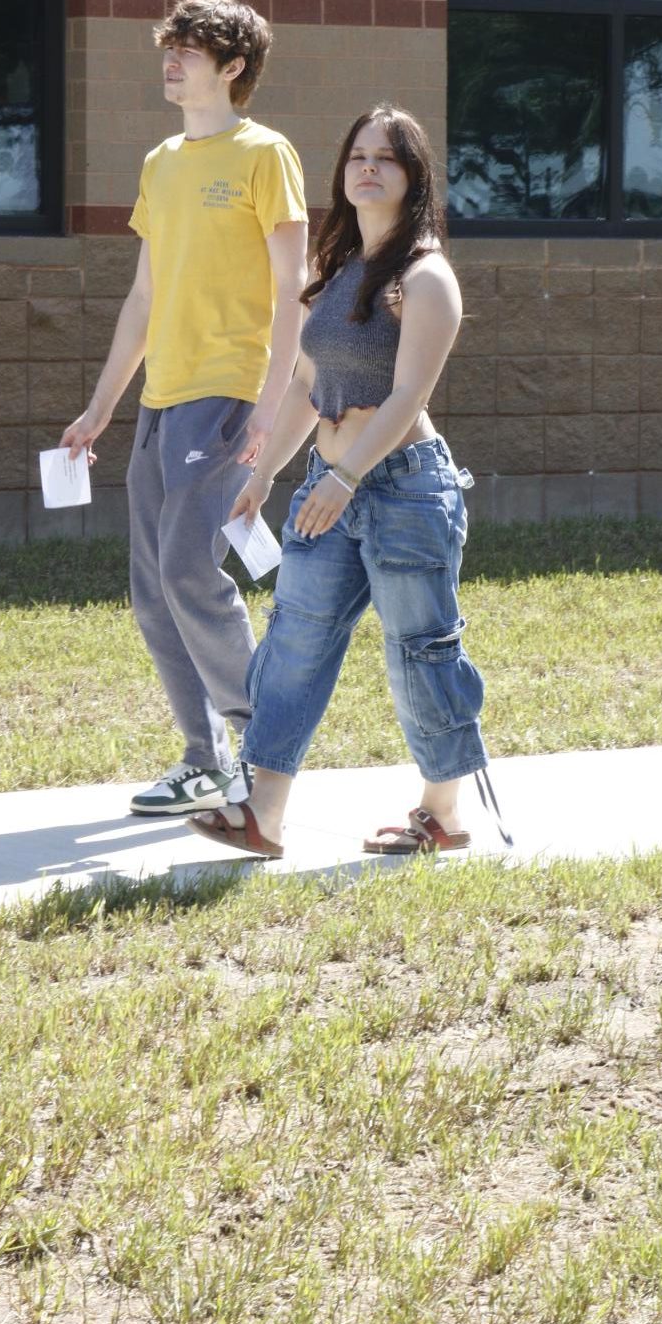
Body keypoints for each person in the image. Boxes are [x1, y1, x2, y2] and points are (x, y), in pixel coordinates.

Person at [188, 104, 508, 860]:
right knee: (295, 640)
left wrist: (346, 472)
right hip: (328, 483)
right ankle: (262, 812)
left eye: (386, 158)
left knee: (419, 647)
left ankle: (443, 812)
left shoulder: (425, 278)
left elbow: (407, 396)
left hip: (401, 486)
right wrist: (263, 474)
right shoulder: (335, 275)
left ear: (413, 176)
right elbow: (306, 382)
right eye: (357, 154)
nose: (367, 167)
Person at [61, 0, 307, 815]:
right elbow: (143, 294)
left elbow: (292, 293)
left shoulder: (265, 155)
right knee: (151, 584)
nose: (171, 61)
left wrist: (271, 410)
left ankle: (262, 753)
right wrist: (100, 407)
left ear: (232, 68)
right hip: (163, 397)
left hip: (227, 390)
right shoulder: (162, 161)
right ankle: (205, 759)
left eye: (190, 50)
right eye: (170, 48)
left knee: (188, 569)